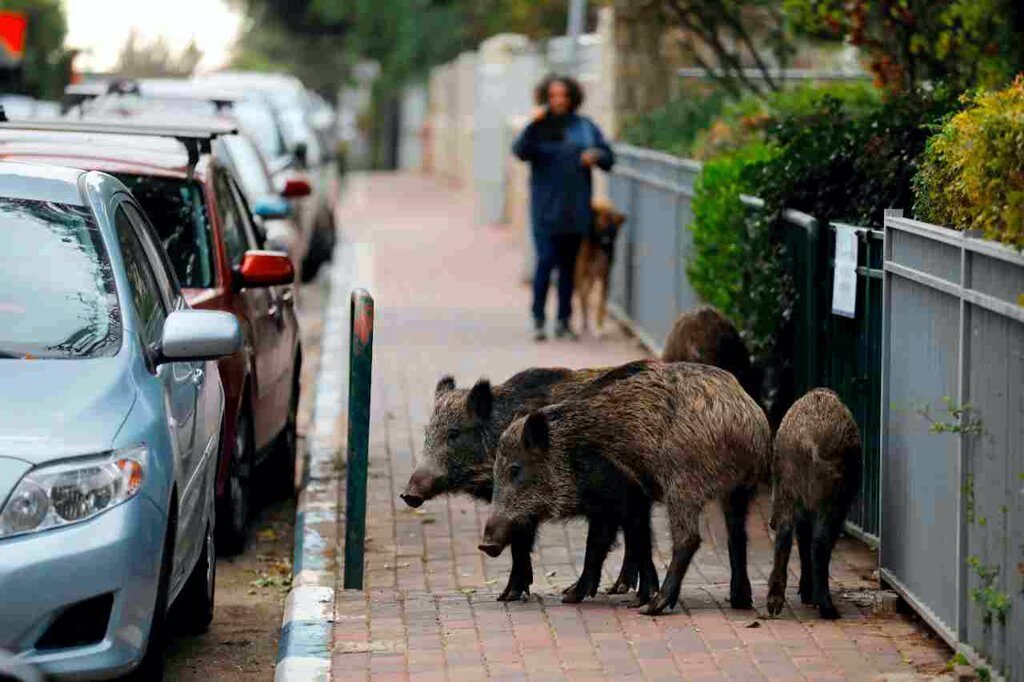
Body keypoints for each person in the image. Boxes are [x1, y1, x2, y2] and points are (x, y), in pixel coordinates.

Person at [512, 74, 614, 341]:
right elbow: (520, 151)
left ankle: (564, 320)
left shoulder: (585, 127)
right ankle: (538, 318)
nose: (558, 100)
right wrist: (531, 123)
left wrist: (597, 156)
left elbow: (608, 157)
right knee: (545, 261)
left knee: (569, 267)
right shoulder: (539, 126)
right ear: (546, 97)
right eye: (553, 95)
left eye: (564, 95)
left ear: (573, 98)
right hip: (544, 209)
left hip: (575, 208)